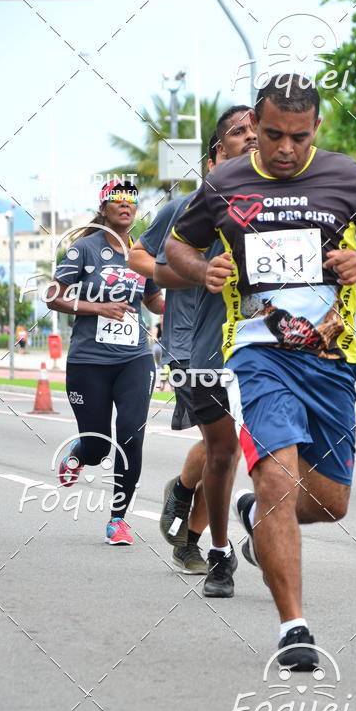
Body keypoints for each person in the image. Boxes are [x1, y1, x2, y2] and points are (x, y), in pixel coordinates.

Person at [166, 74, 356, 669]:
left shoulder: (347, 178)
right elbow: (177, 245)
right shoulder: (225, 182)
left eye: (298, 137)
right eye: (273, 134)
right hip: (257, 354)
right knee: (278, 478)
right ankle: (294, 628)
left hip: (330, 360)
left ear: (316, 130)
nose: (284, 149)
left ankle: (253, 515)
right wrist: (203, 270)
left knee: (329, 504)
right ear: (258, 124)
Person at [128, 107, 256, 594]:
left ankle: (192, 520)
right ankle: (203, 531)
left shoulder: (271, 207)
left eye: (255, 133)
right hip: (193, 346)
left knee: (228, 448)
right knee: (223, 446)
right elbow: (140, 254)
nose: (250, 139)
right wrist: (191, 272)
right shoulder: (189, 205)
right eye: (237, 134)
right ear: (214, 155)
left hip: (255, 347)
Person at [47, 180, 164, 545]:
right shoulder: (85, 248)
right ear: (105, 207)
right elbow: (53, 296)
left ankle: (118, 520)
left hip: (135, 358)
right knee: (99, 445)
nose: (126, 205)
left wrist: (187, 300)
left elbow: (154, 301)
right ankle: (81, 454)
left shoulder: (142, 251)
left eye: (132, 200)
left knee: (131, 434)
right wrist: (98, 307)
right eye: (118, 200)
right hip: (89, 362)